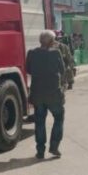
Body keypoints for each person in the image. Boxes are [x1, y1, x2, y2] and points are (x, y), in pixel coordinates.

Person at [26, 30, 66, 159]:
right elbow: (62, 70)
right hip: (53, 93)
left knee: (39, 122)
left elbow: (28, 69)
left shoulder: (31, 53)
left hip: (37, 94)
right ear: (51, 41)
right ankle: (54, 147)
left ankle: (40, 151)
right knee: (58, 118)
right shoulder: (56, 53)